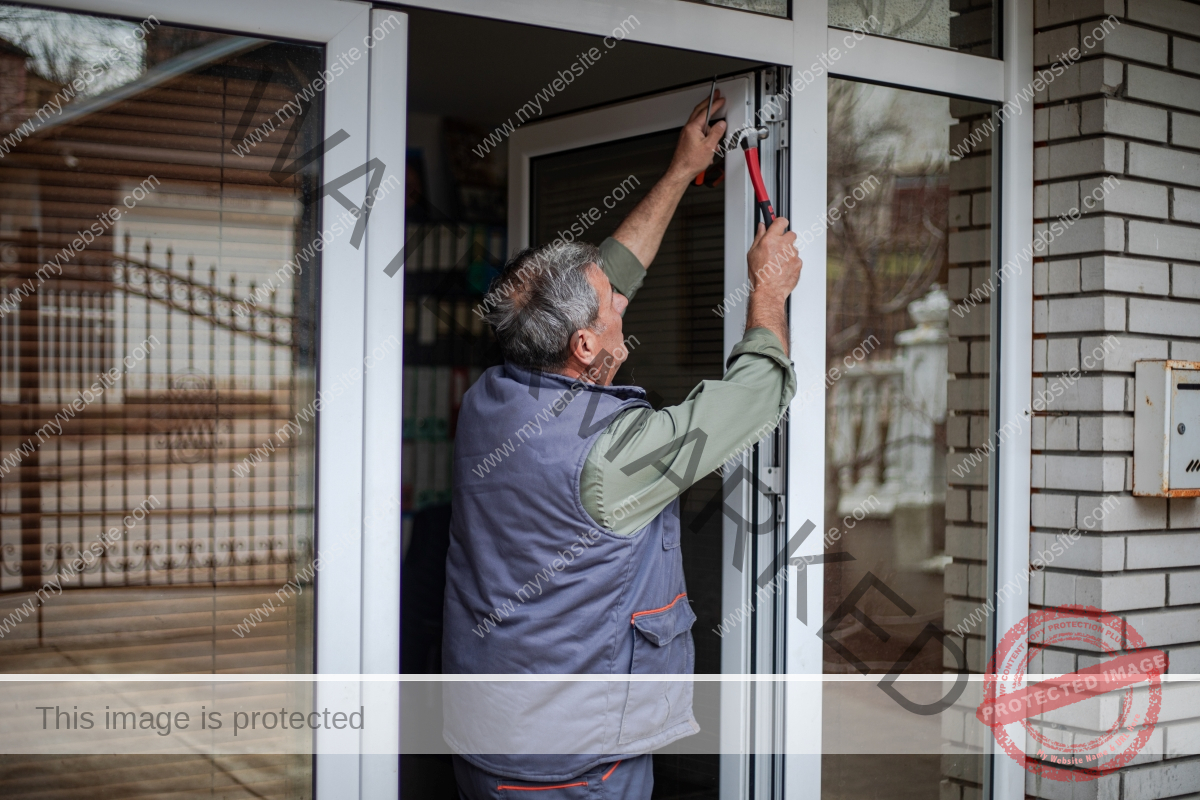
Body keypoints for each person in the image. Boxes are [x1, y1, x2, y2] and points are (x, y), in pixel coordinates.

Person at [442, 92, 802, 799]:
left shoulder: (491, 397)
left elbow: (613, 273)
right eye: (612, 310)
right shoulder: (612, 461)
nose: (623, 308)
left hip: (488, 739)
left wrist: (680, 171)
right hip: (572, 767)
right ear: (583, 345)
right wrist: (768, 293)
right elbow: (756, 396)